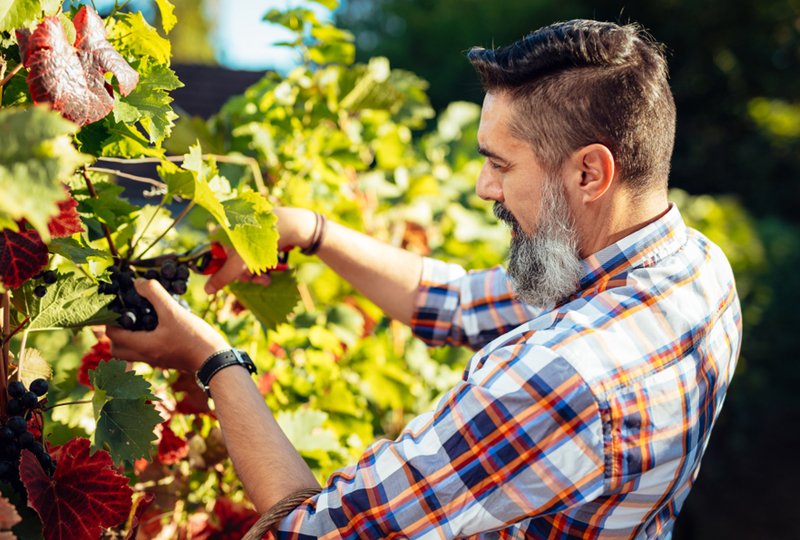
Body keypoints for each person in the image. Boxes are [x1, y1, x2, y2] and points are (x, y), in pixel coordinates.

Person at [106, 19, 742, 539]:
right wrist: (313, 230)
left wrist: (213, 360)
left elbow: (306, 532)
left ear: (589, 174)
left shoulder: (556, 379)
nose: (482, 187)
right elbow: (458, 304)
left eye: (500, 163)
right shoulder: (696, 270)